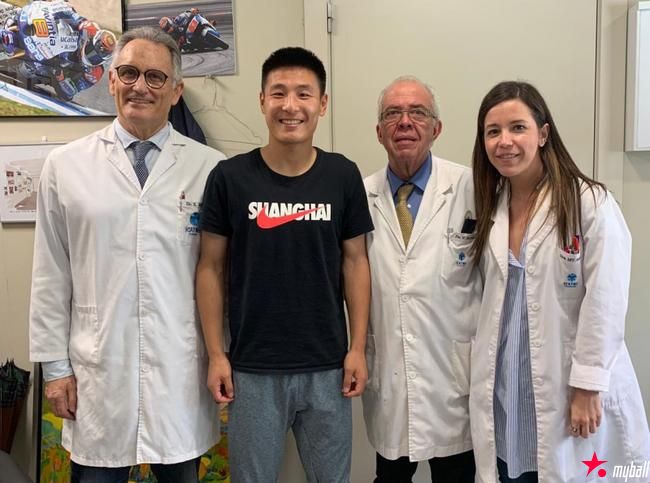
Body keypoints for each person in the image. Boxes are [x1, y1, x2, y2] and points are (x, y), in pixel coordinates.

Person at [29, 26, 225, 483]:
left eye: (155, 77)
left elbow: (223, 275)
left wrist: (223, 356)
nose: (141, 87)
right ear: (112, 80)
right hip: (98, 377)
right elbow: (50, 274)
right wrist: (55, 370)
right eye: (130, 73)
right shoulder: (65, 165)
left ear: (176, 91)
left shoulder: (210, 168)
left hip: (180, 376)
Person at [196, 46, 373, 483]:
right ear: (262, 101)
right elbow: (210, 268)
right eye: (278, 93)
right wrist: (217, 354)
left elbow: (356, 263)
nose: (290, 106)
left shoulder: (342, 175)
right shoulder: (229, 178)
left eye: (303, 94)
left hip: (327, 367)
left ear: (322, 104)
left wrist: (356, 348)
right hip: (252, 368)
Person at [469, 80, 650, 483]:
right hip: (508, 390)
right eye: (493, 131)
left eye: (518, 127)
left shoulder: (589, 202)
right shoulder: (491, 206)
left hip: (569, 388)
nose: (504, 141)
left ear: (543, 133)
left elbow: (606, 301)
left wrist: (587, 385)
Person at [362, 76, 480, 483]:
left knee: (458, 477)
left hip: (454, 378)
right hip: (390, 373)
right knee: (390, 476)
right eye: (392, 113)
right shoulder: (360, 196)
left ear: (436, 128)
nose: (405, 122)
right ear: (379, 131)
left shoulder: (472, 188)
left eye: (418, 112)